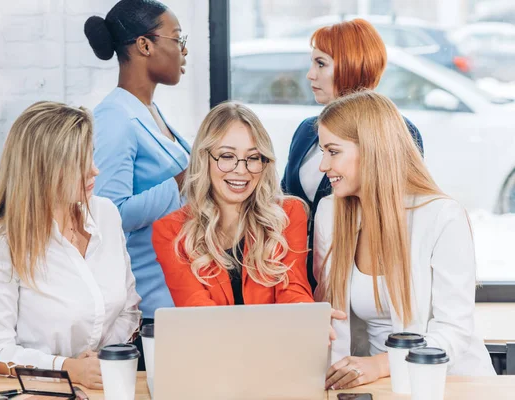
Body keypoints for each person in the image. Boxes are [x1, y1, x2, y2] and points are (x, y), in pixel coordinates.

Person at [313, 90, 495, 391]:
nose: (323, 166)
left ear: (371, 149)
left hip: (447, 381)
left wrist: (380, 364)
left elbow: (454, 332)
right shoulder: (330, 213)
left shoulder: (442, 217)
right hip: (374, 386)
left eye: (333, 152)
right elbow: (330, 321)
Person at [0, 102, 141, 390]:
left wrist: (97, 361)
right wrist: (69, 368)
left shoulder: (106, 213)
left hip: (101, 386)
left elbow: (129, 310)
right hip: (39, 391)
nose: (95, 171)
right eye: (79, 163)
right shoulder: (0, 241)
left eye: (91, 157)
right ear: (42, 169)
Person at [280, 19, 424, 289]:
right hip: (296, 275)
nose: (310, 75)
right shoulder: (306, 132)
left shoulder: (396, 132)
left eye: (321, 64)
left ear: (352, 66)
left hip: (356, 279)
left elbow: (395, 214)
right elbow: (286, 201)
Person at [84, 0, 189, 334]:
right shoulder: (114, 117)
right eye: (177, 40)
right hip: (147, 306)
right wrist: (187, 181)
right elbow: (106, 213)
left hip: (178, 292)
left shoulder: (148, 110)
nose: (184, 52)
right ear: (145, 45)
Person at [152, 101, 316, 306]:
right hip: (211, 337)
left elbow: (293, 290)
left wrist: (307, 317)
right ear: (205, 159)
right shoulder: (171, 231)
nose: (241, 169)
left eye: (253, 157)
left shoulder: (289, 214)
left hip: (277, 338)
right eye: (227, 156)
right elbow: (197, 309)